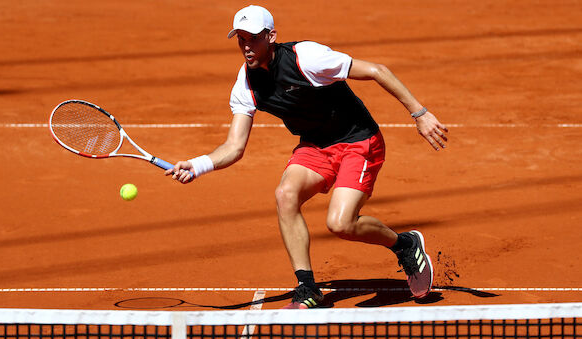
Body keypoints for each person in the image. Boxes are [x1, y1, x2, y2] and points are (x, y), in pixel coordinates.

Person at [166, 5, 448, 309]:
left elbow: (377, 70)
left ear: (271, 36)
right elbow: (234, 147)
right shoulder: (246, 83)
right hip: (315, 146)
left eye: (254, 38)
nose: (247, 46)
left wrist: (419, 113)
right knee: (285, 195)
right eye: (241, 39)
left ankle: (404, 245)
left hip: (358, 141)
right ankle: (307, 289)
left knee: (341, 224)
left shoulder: (308, 58)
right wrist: (197, 165)